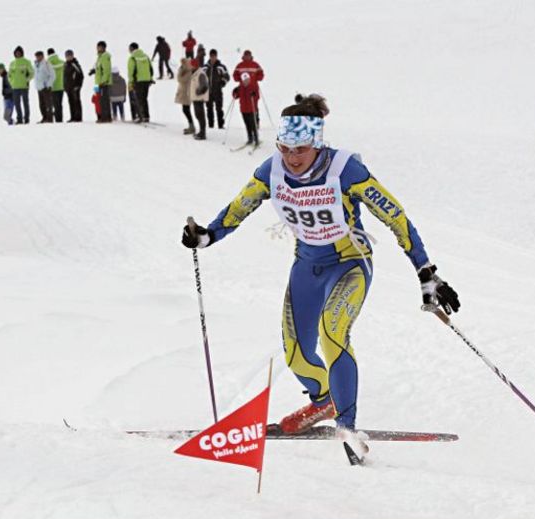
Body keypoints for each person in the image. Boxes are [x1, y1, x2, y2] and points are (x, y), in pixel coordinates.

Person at [181, 93, 460, 433]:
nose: (291, 158)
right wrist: (207, 235)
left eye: (299, 149)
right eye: (284, 148)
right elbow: (240, 207)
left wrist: (425, 271)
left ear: (317, 143)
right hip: (306, 266)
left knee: (333, 333)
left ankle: (347, 426)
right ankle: (323, 401)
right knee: (296, 354)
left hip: (350, 264)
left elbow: (395, 216)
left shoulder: (345, 169)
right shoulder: (272, 170)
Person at [127, 42, 153, 123]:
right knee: (144, 98)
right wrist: (150, 78)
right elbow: (150, 68)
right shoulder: (146, 56)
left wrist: (131, 82)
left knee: (138, 99)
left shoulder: (132, 58)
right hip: (147, 80)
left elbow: (131, 71)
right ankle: (146, 116)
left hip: (137, 81)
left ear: (131, 48)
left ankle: (139, 116)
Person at [232, 72, 259, 147]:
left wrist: (254, 94)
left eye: (247, 79)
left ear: (249, 79)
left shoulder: (253, 86)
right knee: (247, 125)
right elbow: (236, 96)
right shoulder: (240, 87)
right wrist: (235, 92)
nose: (246, 81)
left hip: (251, 109)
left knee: (253, 124)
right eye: (244, 80)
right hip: (243, 109)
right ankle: (250, 138)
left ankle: (256, 139)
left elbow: (257, 96)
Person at [205, 49, 230, 129]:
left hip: (218, 91)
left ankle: (220, 124)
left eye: (214, 56)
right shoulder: (205, 67)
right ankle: (210, 125)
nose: (213, 58)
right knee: (209, 109)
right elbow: (200, 78)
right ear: (209, 56)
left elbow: (227, 76)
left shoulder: (221, 67)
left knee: (219, 108)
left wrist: (222, 83)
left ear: (216, 56)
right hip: (208, 91)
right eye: (211, 56)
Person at [8, 46, 34, 124]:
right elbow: (9, 75)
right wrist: (12, 83)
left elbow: (32, 73)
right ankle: (19, 119)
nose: (18, 54)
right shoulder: (12, 63)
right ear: (14, 54)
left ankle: (26, 119)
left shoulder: (27, 62)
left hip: (24, 86)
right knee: (17, 104)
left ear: (22, 53)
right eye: (16, 53)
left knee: (25, 103)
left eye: (19, 52)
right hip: (15, 87)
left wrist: (26, 80)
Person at [34, 51, 55, 123]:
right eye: (37, 56)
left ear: (42, 56)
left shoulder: (46, 64)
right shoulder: (36, 64)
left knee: (48, 104)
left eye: (39, 56)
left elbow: (52, 75)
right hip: (39, 87)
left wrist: (48, 84)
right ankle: (44, 117)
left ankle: (49, 118)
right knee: (41, 104)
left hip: (46, 87)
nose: (38, 58)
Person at [190, 59, 209, 140]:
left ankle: (203, 133)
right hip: (195, 98)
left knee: (200, 116)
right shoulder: (195, 73)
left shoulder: (200, 74)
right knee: (198, 115)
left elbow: (204, 86)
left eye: (191, 65)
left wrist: (199, 92)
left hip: (199, 98)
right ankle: (201, 131)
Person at [175, 58, 195, 134]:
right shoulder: (185, 70)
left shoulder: (188, 71)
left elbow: (180, 79)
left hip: (186, 93)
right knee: (186, 110)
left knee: (186, 110)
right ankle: (191, 125)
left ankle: (192, 126)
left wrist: (182, 70)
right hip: (184, 92)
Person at [94, 41, 113, 123]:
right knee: (98, 99)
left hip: (103, 83)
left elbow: (106, 70)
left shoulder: (105, 57)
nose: (98, 49)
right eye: (98, 47)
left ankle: (105, 117)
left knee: (104, 100)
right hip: (97, 83)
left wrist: (103, 81)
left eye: (100, 47)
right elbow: (99, 69)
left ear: (104, 48)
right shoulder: (99, 57)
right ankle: (102, 116)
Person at [63, 49, 84, 122]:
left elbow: (81, 75)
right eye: (67, 56)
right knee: (70, 102)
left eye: (70, 56)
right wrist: (64, 86)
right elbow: (64, 76)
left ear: (72, 56)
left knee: (76, 101)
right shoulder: (65, 65)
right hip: (68, 87)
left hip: (75, 87)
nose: (68, 57)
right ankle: (72, 117)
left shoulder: (75, 64)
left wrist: (78, 85)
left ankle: (78, 117)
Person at [46, 48, 65, 123]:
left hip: (52, 87)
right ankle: (59, 119)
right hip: (61, 86)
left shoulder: (48, 63)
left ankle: (54, 118)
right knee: (59, 104)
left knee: (53, 104)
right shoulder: (62, 62)